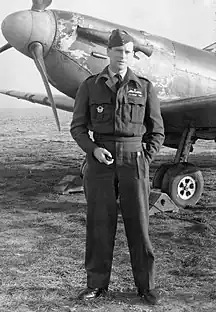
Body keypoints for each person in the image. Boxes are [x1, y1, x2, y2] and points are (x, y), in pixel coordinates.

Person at [70, 29, 165, 305]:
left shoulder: (144, 87)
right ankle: (97, 285)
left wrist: (144, 159)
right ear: (108, 52)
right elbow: (77, 127)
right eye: (117, 51)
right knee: (99, 224)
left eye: (127, 52)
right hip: (100, 163)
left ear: (131, 54)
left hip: (134, 161)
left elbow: (157, 132)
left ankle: (146, 287)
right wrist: (93, 150)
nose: (122, 56)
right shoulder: (90, 86)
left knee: (139, 225)